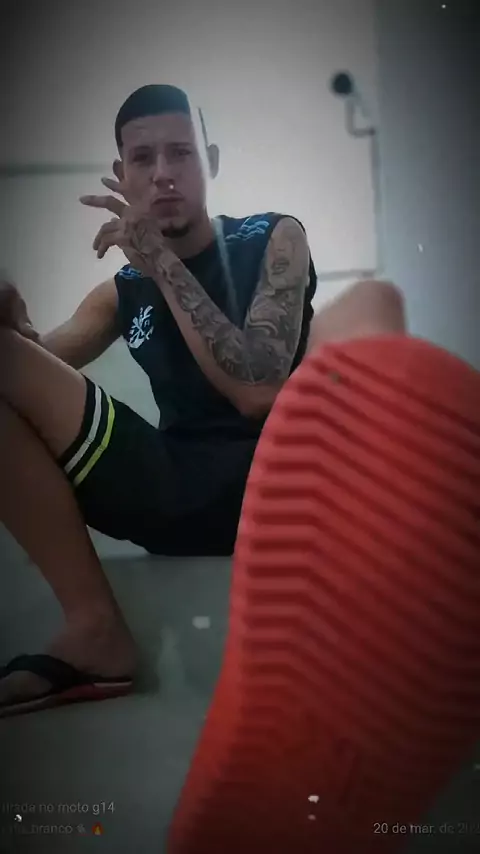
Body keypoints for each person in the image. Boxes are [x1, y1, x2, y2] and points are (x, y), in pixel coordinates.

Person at [0, 84, 404, 717]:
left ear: (210, 162)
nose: (163, 173)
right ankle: (95, 627)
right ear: (122, 173)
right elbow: (36, 373)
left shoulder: (272, 238)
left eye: (181, 153)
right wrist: (14, 325)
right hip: (171, 490)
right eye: (144, 158)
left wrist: (162, 263)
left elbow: (258, 392)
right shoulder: (119, 292)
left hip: (271, 487)